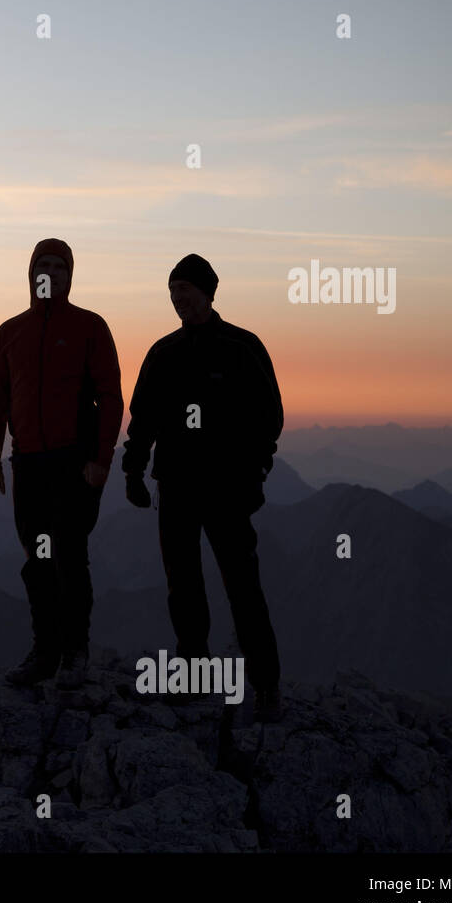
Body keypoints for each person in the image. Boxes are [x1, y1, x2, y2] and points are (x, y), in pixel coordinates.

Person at [120, 253, 285, 721]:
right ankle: (194, 673)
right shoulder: (163, 353)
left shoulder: (242, 347)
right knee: (183, 584)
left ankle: (268, 685)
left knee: (242, 587)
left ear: (208, 294)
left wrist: (256, 474)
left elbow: (267, 418)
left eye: (186, 294)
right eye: (173, 295)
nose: (179, 303)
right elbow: (143, 420)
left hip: (228, 489)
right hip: (175, 486)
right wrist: (133, 471)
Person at [0, 238, 123, 689]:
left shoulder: (89, 327)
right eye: (43, 264)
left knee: (70, 557)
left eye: (59, 266)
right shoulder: (9, 333)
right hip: (29, 466)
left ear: (70, 276)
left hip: (74, 465)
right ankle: (45, 651)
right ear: (30, 273)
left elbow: (112, 397)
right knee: (37, 560)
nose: (51, 272)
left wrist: (102, 460)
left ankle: (75, 652)